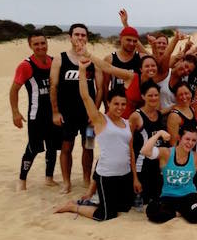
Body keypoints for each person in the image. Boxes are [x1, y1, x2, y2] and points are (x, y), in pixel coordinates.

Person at [54, 60, 139, 221]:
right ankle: (73, 206)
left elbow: (130, 152)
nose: (120, 107)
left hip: (125, 175)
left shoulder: (127, 123)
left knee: (125, 207)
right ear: (108, 103)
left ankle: (92, 199)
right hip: (107, 175)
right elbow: (85, 97)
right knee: (106, 215)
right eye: (116, 104)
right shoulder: (101, 120)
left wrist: (135, 177)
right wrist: (82, 71)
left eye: (123, 104)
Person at [50, 24, 103, 193]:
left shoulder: (93, 61)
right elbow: (53, 87)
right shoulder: (60, 59)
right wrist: (55, 112)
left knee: (89, 146)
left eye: (83, 35)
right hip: (67, 114)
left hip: (88, 115)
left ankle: (87, 179)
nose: (80, 37)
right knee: (66, 148)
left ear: (87, 38)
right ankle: (67, 182)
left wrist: (95, 112)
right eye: (77, 34)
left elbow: (100, 89)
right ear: (70, 37)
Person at [141, 126, 197, 224]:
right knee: (152, 212)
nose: (190, 143)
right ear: (179, 138)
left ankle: (182, 211)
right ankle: (180, 212)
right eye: (187, 139)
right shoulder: (167, 153)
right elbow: (144, 151)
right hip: (168, 196)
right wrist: (159, 133)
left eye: (194, 140)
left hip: (188, 195)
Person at [10, 31, 61, 190]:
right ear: (30, 46)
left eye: (42, 43)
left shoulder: (54, 62)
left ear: (47, 43)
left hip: (53, 113)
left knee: (52, 147)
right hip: (36, 114)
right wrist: (15, 112)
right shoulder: (26, 65)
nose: (40, 47)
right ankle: (22, 180)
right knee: (32, 148)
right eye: (36, 44)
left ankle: (49, 178)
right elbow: (14, 90)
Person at [76, 46, 160, 119]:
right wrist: (88, 55)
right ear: (141, 69)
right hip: (117, 120)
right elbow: (108, 68)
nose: (151, 68)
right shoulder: (131, 77)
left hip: (135, 124)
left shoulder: (154, 85)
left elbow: (156, 110)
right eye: (147, 66)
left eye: (153, 66)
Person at [128, 80, 166, 204]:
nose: (153, 98)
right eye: (150, 95)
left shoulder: (159, 115)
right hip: (141, 166)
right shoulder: (136, 116)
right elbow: (129, 147)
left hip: (155, 167)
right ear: (143, 96)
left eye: (156, 95)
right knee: (141, 202)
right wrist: (135, 178)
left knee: (159, 200)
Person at [102, 15, 143, 103]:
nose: (132, 43)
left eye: (135, 41)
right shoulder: (110, 59)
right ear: (121, 39)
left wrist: (125, 24)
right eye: (128, 40)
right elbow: (105, 85)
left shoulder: (140, 57)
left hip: (135, 105)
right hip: (117, 105)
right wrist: (106, 105)